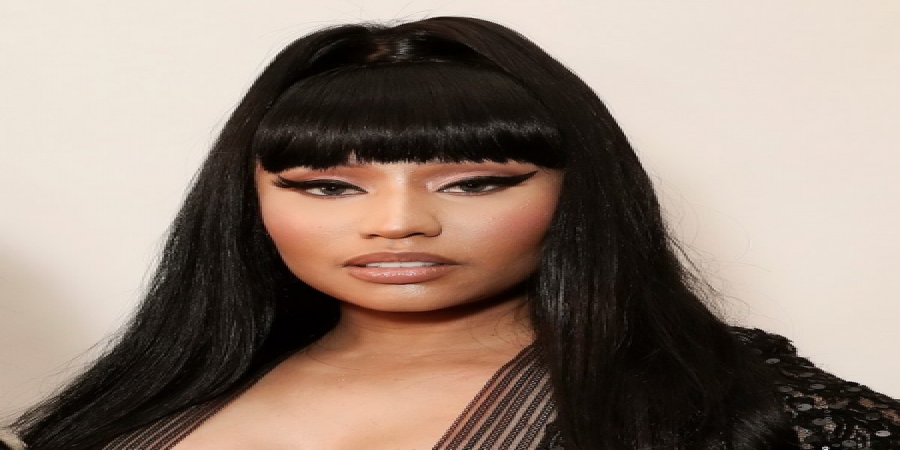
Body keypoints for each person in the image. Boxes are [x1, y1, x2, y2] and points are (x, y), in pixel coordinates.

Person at [3, 16, 898, 450]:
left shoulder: (718, 401)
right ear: (250, 203)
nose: (399, 222)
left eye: (476, 182)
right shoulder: (135, 403)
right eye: (325, 186)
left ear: (578, 191)